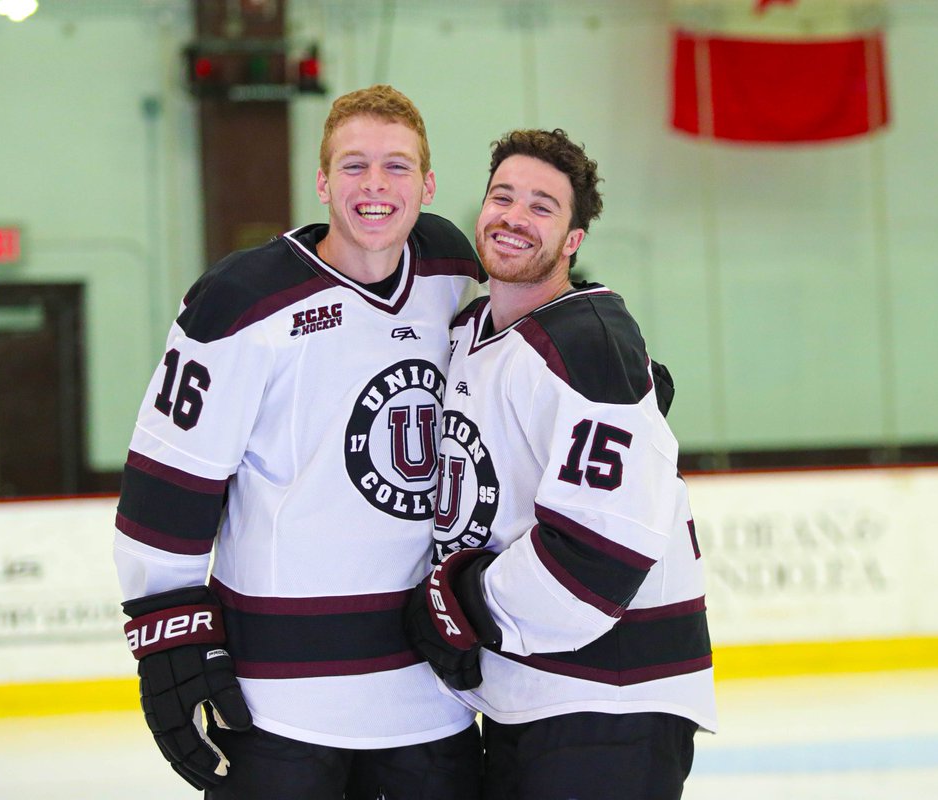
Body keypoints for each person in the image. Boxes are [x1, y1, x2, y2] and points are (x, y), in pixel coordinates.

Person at [113, 85, 486, 799]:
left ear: (429, 185)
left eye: (397, 167)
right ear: (320, 182)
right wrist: (168, 639)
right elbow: (167, 480)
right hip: (278, 703)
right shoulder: (241, 302)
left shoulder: (450, 269)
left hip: (428, 692)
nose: (375, 186)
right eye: (353, 166)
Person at [404, 128, 717, 800]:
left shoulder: (586, 343)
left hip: (612, 707)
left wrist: (464, 606)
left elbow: (597, 551)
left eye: (543, 207)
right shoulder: (469, 334)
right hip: (529, 694)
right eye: (502, 197)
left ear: (573, 239)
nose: (515, 217)